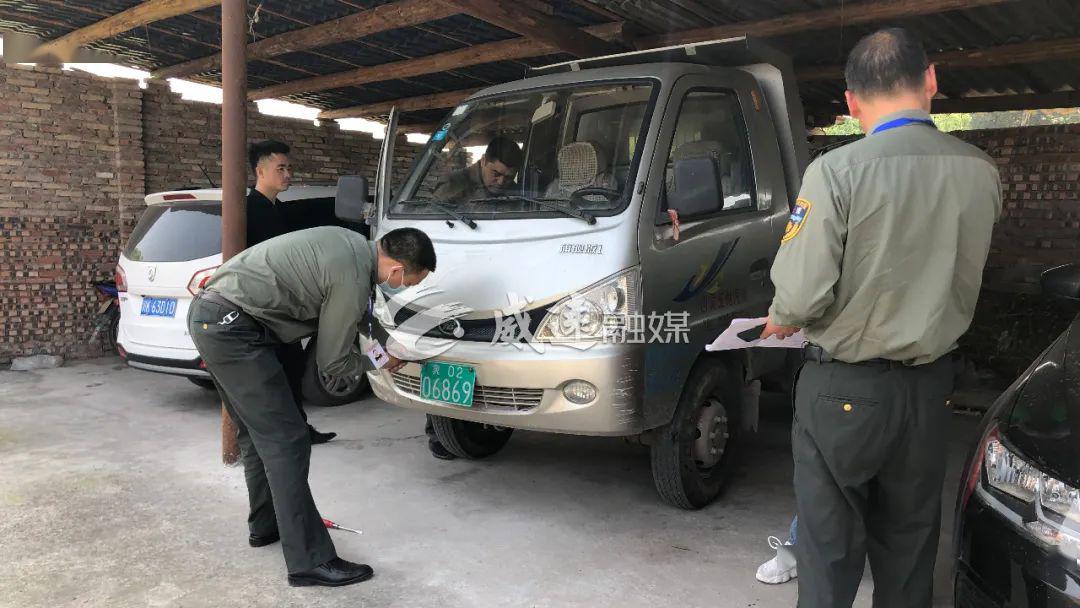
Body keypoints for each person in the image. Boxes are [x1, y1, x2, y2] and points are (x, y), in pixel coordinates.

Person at [761, 28, 1001, 607]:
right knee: (912, 545)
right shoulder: (980, 171)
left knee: (828, 549)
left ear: (850, 101)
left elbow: (799, 297)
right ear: (931, 81)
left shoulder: (836, 172)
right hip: (930, 390)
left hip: (844, 390)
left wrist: (779, 320)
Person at [188, 226, 436, 587]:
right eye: (413, 282)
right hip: (233, 330)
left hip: (216, 318)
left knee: (258, 434)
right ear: (396, 270)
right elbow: (332, 364)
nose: (408, 288)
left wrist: (386, 342)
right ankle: (309, 560)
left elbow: (361, 316)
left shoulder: (353, 247)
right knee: (288, 439)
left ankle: (267, 524)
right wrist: (377, 364)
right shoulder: (352, 276)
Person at [245, 139, 335, 445]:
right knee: (273, 377)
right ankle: (285, 435)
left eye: (289, 168)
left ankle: (299, 430)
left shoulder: (279, 210)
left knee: (292, 369)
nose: (287, 174)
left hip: (285, 306)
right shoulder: (249, 211)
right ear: (260, 171)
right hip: (261, 308)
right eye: (280, 168)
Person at [433, 135, 522, 203]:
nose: (501, 182)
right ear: (483, 161)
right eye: (496, 173)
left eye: (509, 177)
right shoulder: (452, 184)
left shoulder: (518, 192)